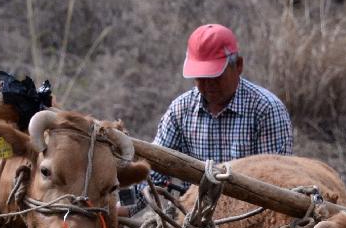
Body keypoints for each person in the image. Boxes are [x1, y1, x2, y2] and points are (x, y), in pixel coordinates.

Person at [119, 23, 293, 216]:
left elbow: (274, 185)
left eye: (216, 76)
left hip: (250, 219)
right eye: (201, 78)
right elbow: (153, 175)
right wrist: (117, 209)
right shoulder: (181, 110)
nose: (208, 85)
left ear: (239, 66)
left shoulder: (266, 109)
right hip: (195, 222)